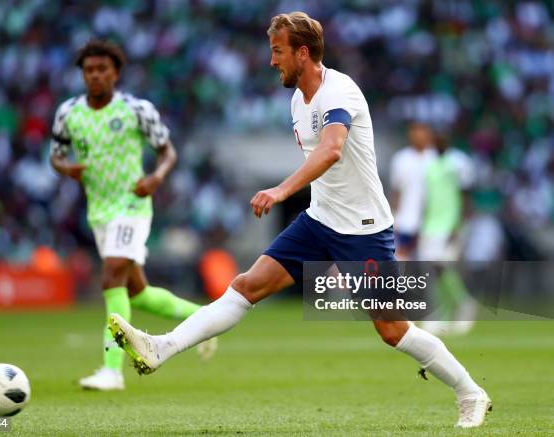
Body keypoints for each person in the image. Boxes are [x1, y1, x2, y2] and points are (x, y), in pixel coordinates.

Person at [108, 13, 491, 428]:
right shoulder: (297, 100)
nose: (272, 61)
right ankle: (160, 347)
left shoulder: (339, 91)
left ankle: (470, 391)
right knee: (246, 286)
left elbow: (330, 150)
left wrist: (281, 190)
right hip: (320, 220)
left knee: (393, 329)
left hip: (363, 229)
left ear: (302, 53)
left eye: (278, 51)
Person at [49, 39, 216, 391]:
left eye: (101, 69)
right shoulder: (68, 114)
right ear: (82, 74)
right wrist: (66, 169)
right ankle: (204, 321)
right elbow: (56, 155)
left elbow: (167, 151)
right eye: (88, 70)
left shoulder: (136, 110)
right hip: (99, 211)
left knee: (111, 277)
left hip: (132, 205)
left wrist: (156, 177)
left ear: (115, 73)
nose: (95, 76)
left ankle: (112, 371)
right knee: (138, 293)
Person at [417, 132, 477, 336]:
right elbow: (427, 197)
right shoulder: (429, 165)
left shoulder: (459, 162)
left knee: (442, 266)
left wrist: (459, 225)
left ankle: (463, 304)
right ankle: (446, 311)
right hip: (431, 225)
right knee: (433, 270)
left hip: (450, 225)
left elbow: (466, 195)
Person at [389, 122, 436, 261]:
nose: (418, 135)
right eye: (414, 131)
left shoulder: (436, 159)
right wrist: (394, 220)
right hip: (405, 221)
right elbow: (396, 192)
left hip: (431, 223)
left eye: (422, 131)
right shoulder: (401, 159)